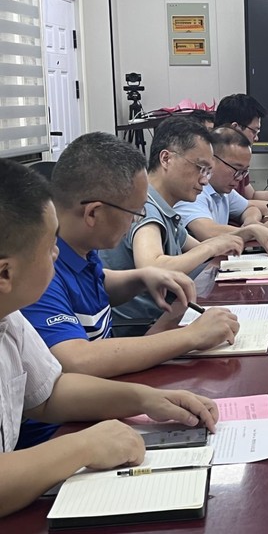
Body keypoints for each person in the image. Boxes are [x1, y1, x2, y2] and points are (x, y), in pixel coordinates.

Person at [0, 159, 219, 518]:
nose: (57, 252)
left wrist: (146, 399)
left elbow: (49, 393)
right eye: (48, 246)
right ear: (6, 274)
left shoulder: (9, 318)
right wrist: (83, 447)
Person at [21, 132, 240, 380]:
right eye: (134, 212)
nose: (136, 220)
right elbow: (77, 360)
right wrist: (191, 336)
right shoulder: (40, 271)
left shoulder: (81, 249)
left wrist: (141, 278)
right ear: (93, 214)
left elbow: (97, 282)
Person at [100, 116, 268, 323]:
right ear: (166, 159)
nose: (204, 180)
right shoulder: (146, 207)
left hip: (163, 318)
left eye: (208, 171)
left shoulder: (165, 208)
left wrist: (246, 232)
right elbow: (153, 266)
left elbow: (199, 249)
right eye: (200, 168)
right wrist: (212, 246)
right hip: (143, 329)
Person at [174, 126, 268, 253]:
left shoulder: (222, 190)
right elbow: (208, 232)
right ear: (212, 160)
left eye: (244, 171)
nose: (240, 178)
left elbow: (250, 208)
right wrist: (254, 231)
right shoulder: (193, 191)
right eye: (236, 169)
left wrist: (252, 222)